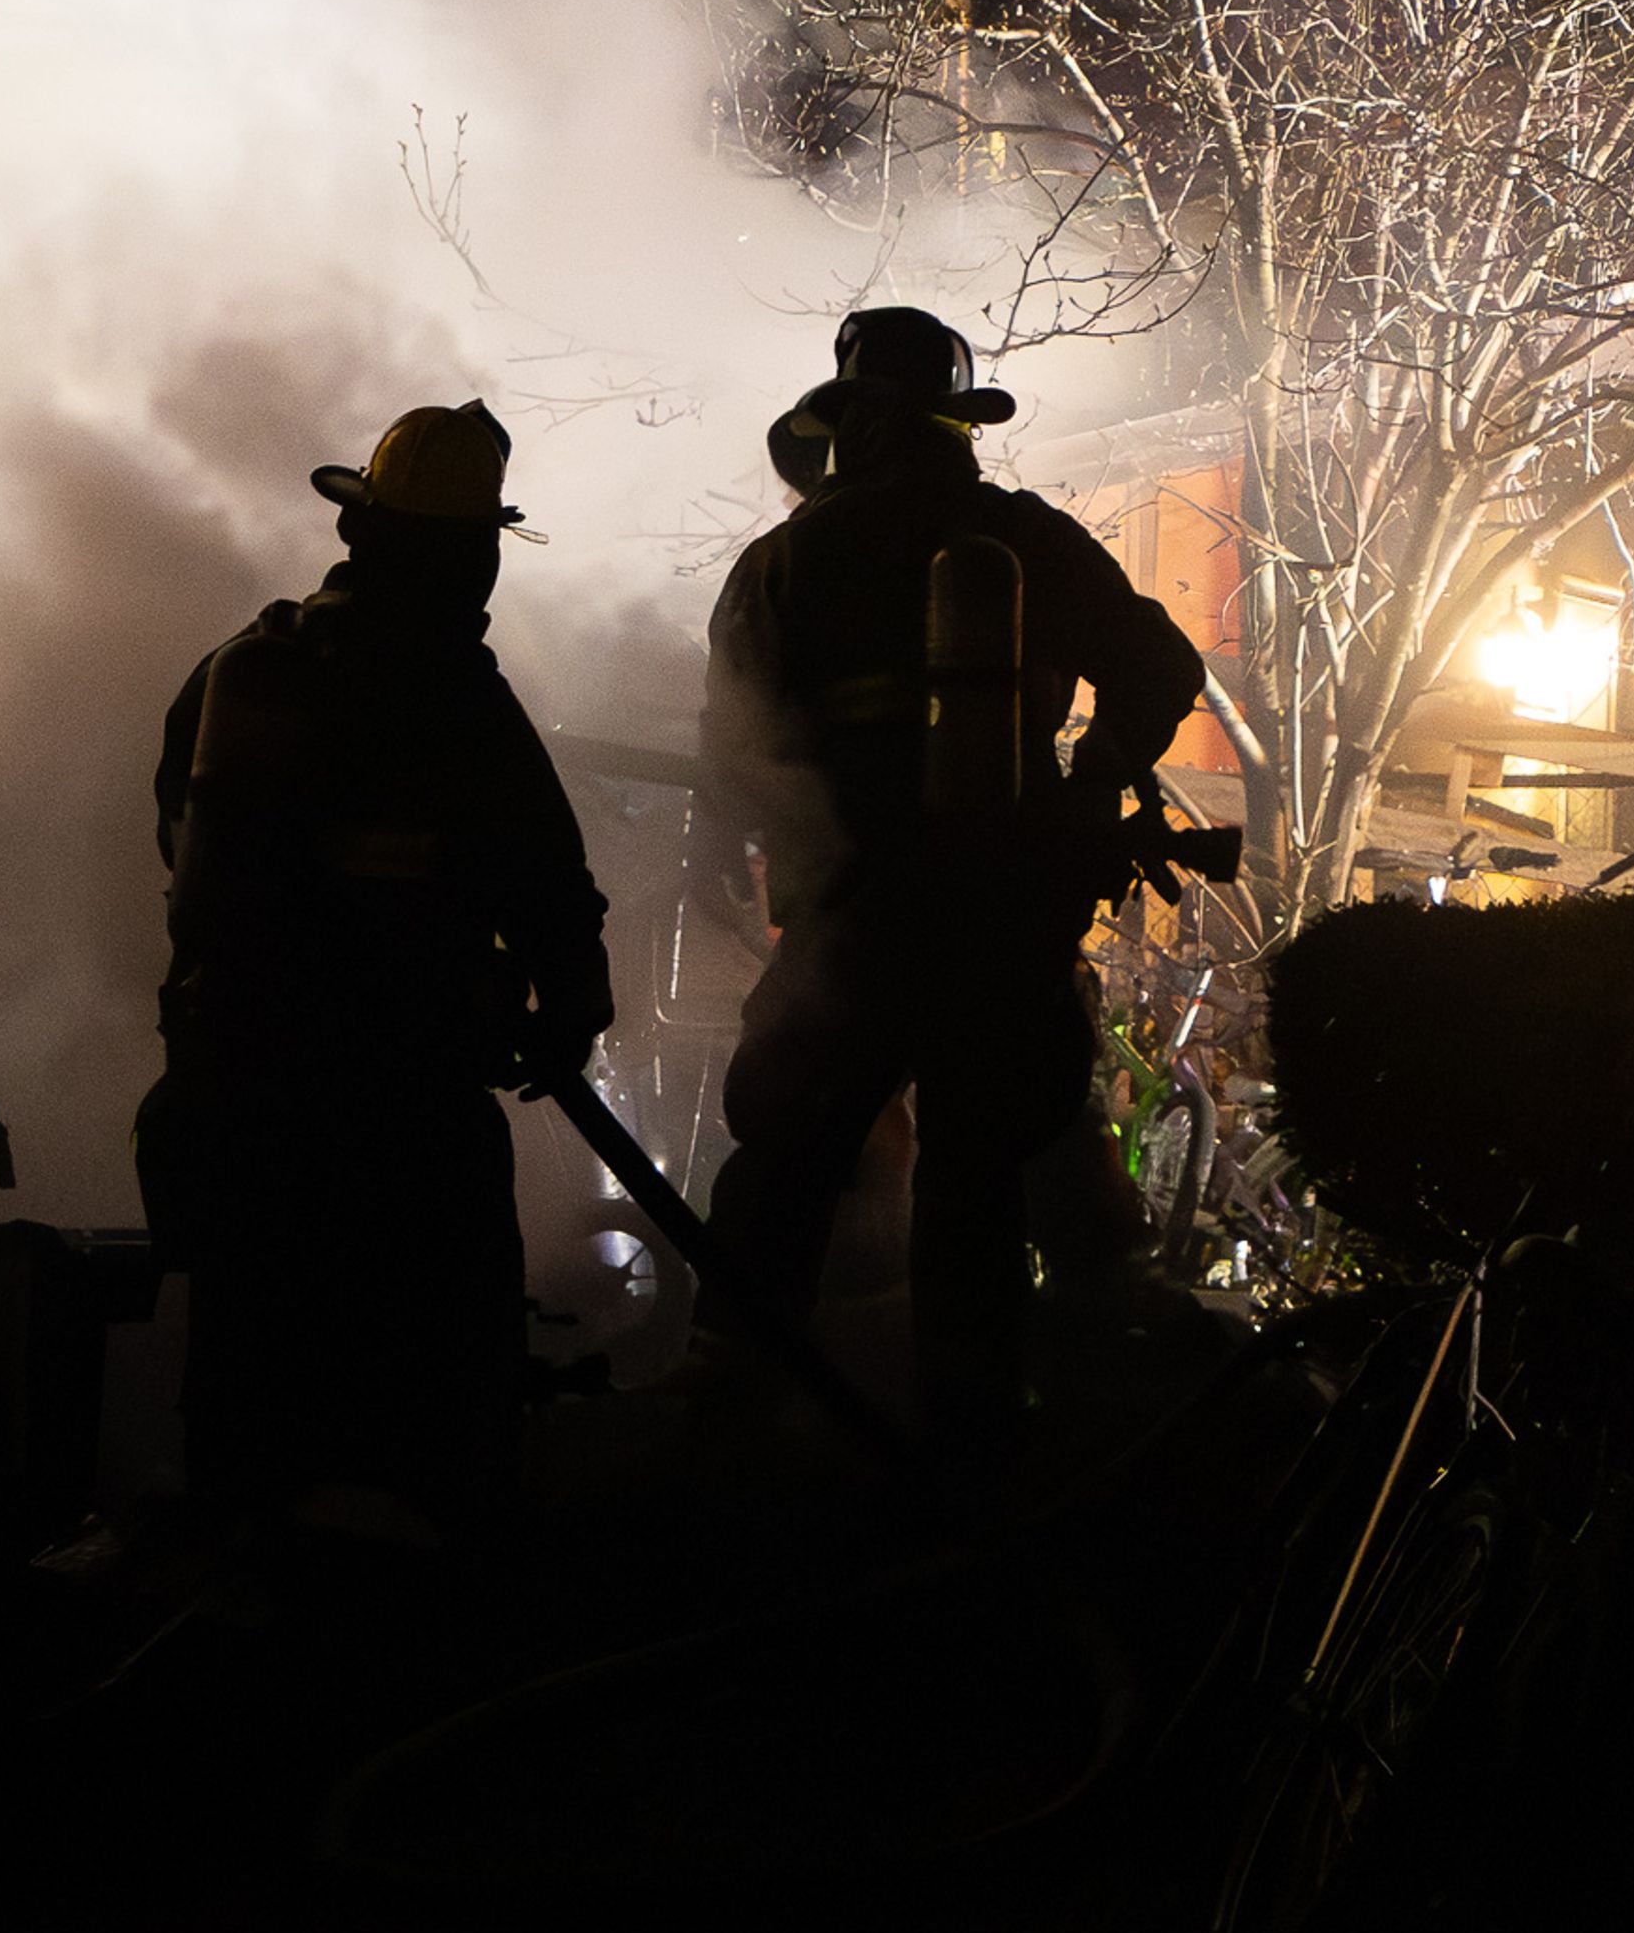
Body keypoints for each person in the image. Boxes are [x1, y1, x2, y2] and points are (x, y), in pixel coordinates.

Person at [696, 308, 1204, 1440]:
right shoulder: (1024, 539)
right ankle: (971, 1432)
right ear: (959, 426)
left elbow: (731, 749)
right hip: (998, 920)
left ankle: (726, 1416)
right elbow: (1162, 662)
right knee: (978, 1174)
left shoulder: (789, 559)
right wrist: (1089, 780)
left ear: (852, 426)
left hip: (851, 929)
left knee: (785, 1169)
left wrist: (766, 858)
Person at [134, 399, 612, 1540]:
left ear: (360, 531)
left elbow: (178, 846)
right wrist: (569, 1004)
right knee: (443, 1387)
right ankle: (430, 1631)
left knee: (254, 1379)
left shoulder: (240, 671)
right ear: (466, 555)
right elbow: (546, 879)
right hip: (407, 1108)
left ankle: (238, 1610)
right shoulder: (461, 698)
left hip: (236, 1095)